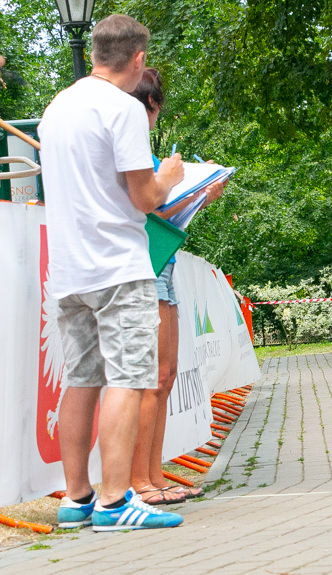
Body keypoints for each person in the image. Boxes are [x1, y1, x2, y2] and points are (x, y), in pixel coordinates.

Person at [38, 14, 184, 531]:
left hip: (69, 269)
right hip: (118, 265)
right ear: (139, 58)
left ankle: (76, 499)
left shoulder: (57, 106)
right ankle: (116, 501)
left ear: (98, 51)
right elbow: (143, 197)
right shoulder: (121, 109)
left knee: (81, 381)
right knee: (128, 379)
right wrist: (168, 178)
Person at [128, 68, 224, 505]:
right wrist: (196, 195)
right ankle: (138, 481)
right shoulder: (132, 155)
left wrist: (196, 196)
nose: (153, 114)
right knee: (149, 380)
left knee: (165, 377)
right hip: (141, 267)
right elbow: (150, 210)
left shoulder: (145, 153)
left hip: (163, 266)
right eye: (154, 105)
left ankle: (154, 474)